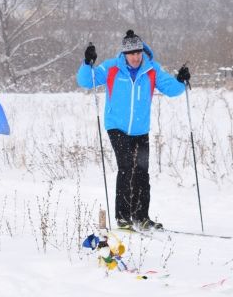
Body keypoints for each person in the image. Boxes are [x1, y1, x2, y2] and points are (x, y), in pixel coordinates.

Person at [77, 30, 190, 230]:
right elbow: (87, 81)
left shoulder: (152, 69)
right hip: (116, 127)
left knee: (142, 172)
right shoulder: (112, 67)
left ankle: (141, 217)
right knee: (126, 167)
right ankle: (123, 217)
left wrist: (181, 80)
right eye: (132, 54)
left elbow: (172, 90)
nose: (136, 57)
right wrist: (87, 63)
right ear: (125, 54)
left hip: (140, 129)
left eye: (138, 53)